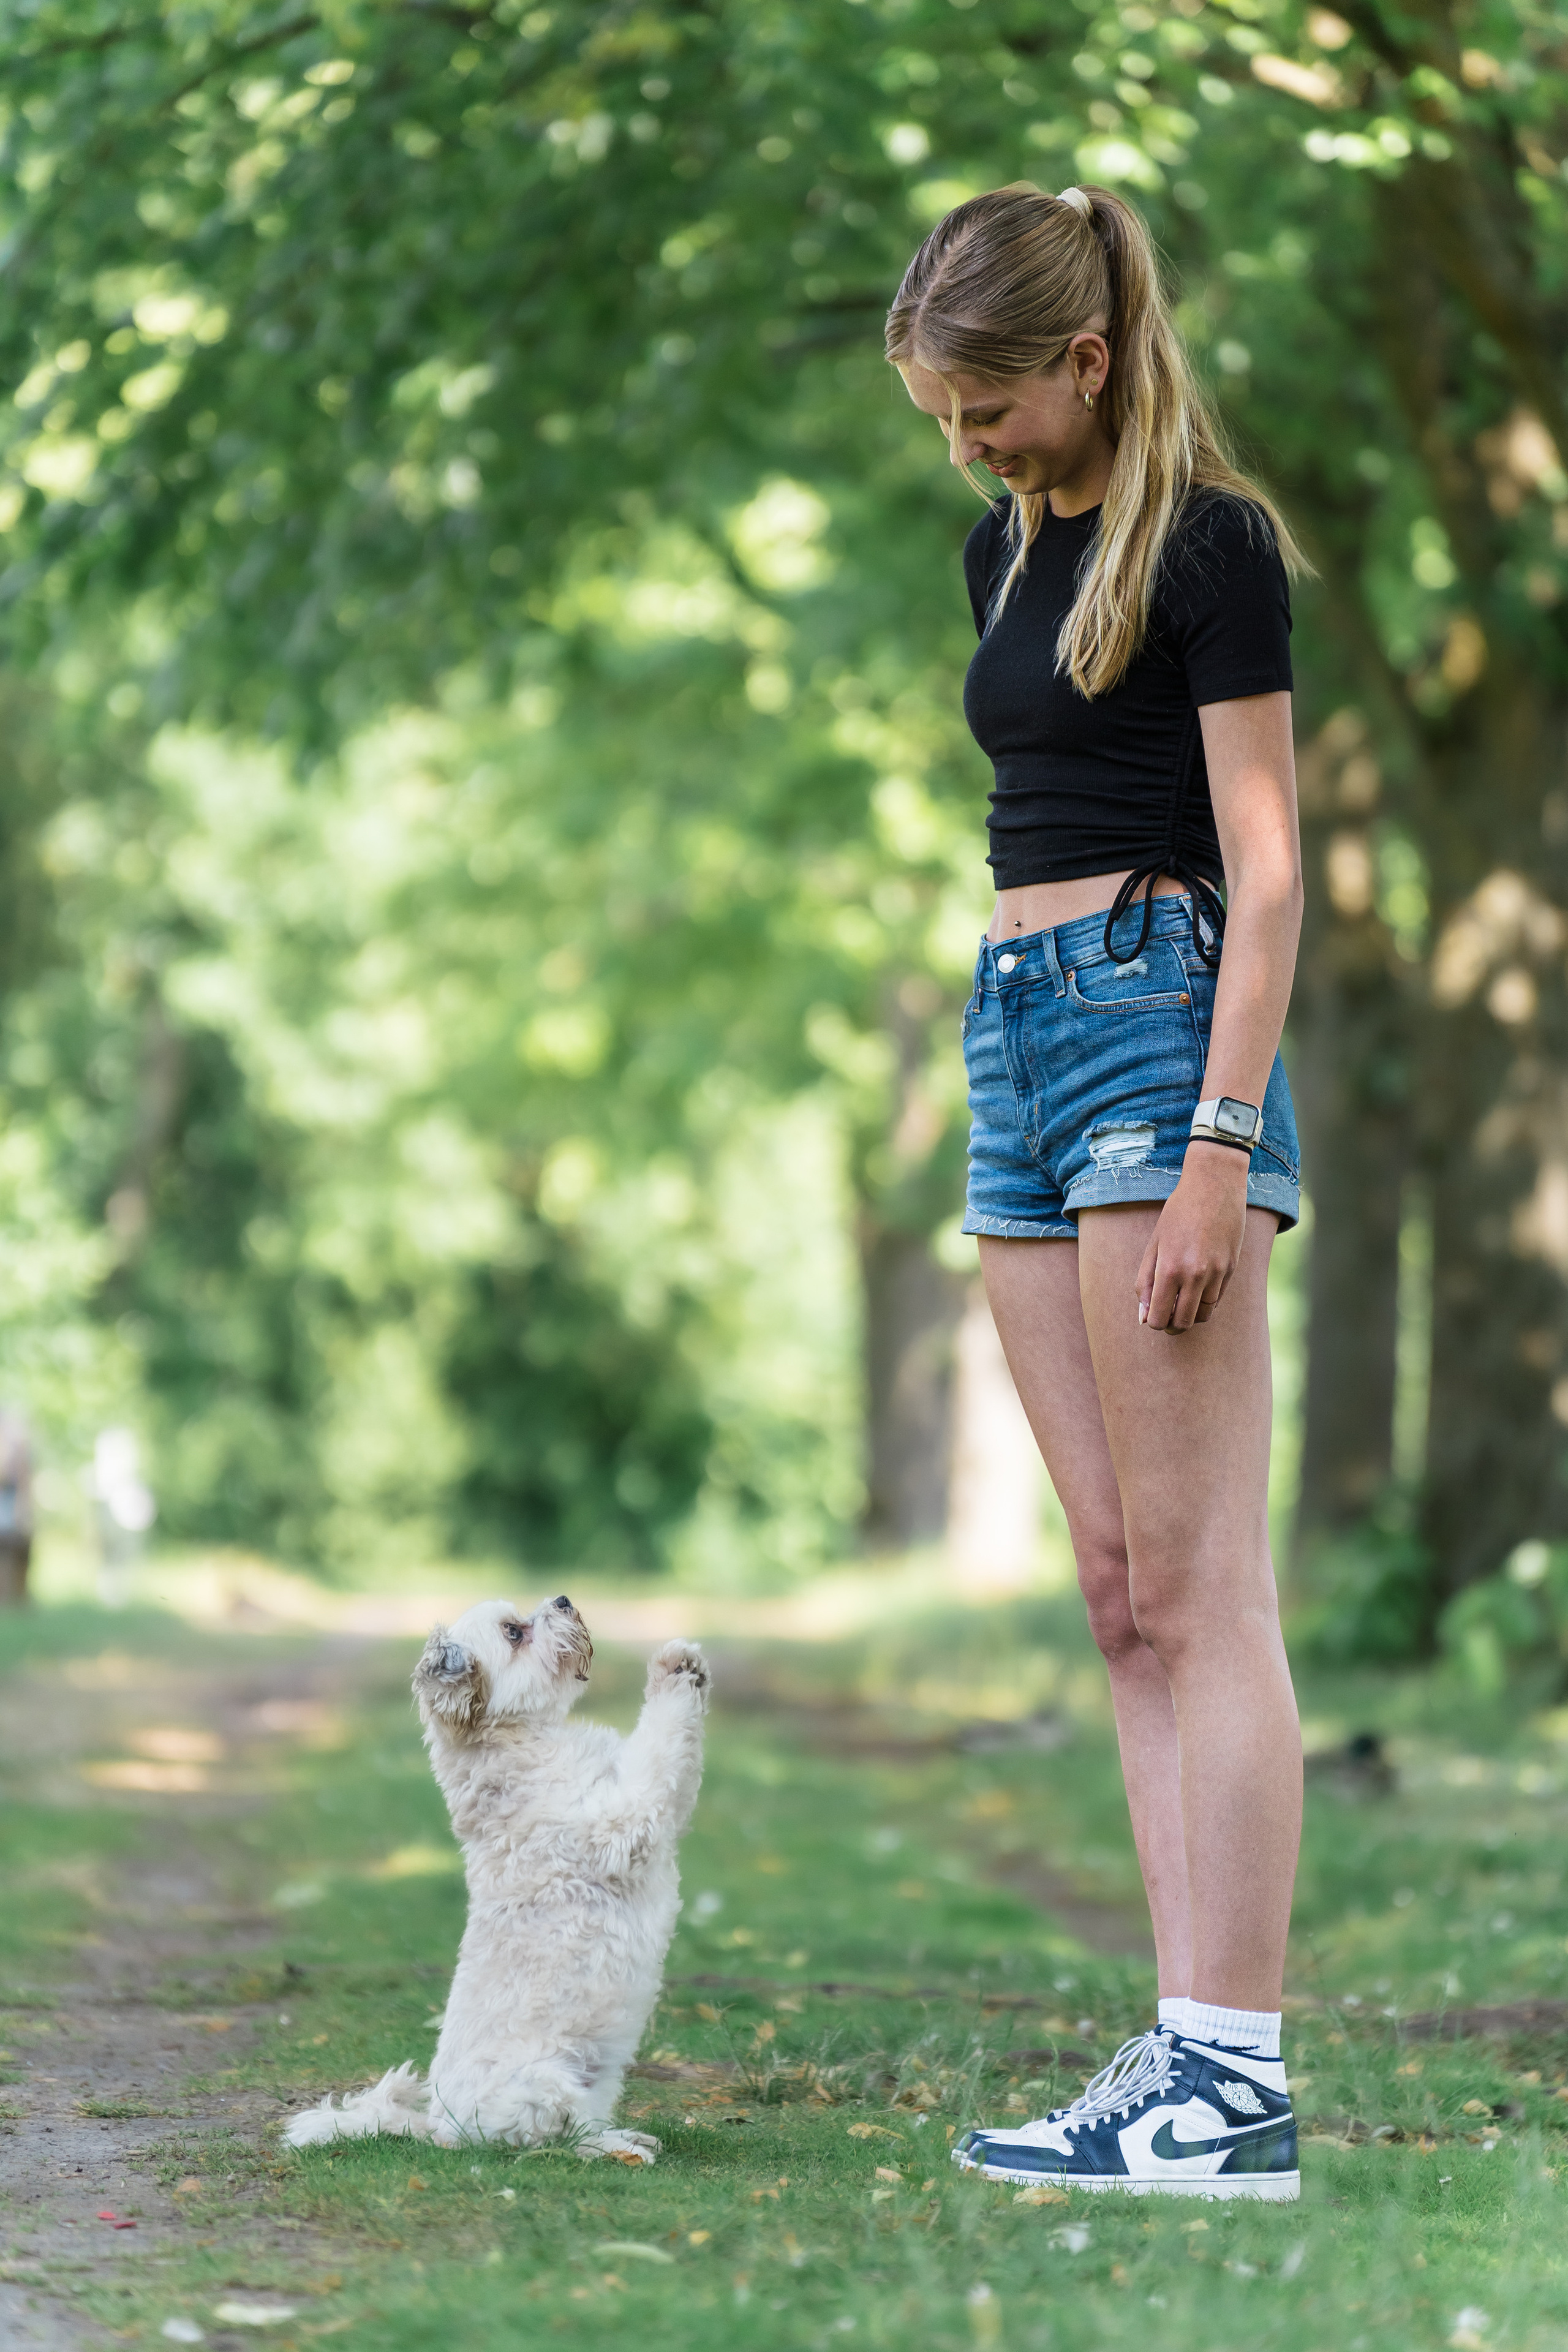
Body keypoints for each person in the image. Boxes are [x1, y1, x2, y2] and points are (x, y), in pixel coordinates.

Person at [886, 183, 1306, 2199]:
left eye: (988, 408)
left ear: (1088, 355)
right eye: (940, 417)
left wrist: (1223, 1145)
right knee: (1119, 1585)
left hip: (1160, 1028)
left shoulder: (1216, 549)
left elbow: (1275, 862)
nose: (964, 448)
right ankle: (1179, 2067)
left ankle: (1237, 2077)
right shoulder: (999, 549)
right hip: (1017, 1034)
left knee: (1207, 1579)